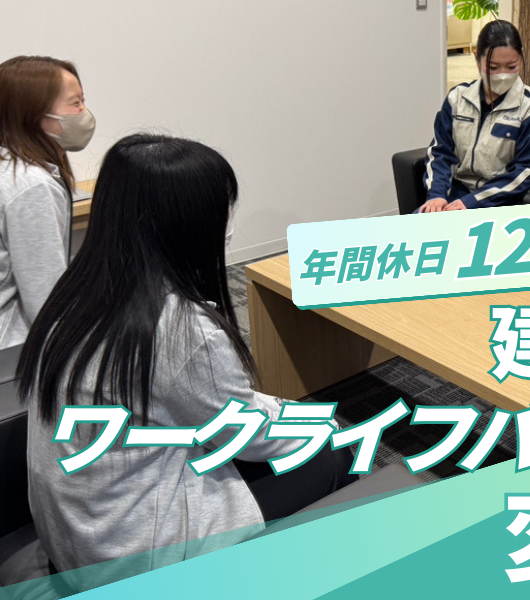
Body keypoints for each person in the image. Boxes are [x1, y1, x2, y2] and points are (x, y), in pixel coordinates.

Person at [17, 134, 355, 590]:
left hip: (78, 535)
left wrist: (274, 409)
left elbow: (204, 401)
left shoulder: (76, 289)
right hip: (133, 554)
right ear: (188, 223)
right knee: (334, 453)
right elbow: (249, 435)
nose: (227, 222)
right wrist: (316, 422)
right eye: (221, 209)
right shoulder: (177, 327)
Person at [0, 56, 96, 350]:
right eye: (75, 103)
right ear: (34, 113)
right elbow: (46, 301)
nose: (84, 112)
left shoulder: (9, 166)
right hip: (13, 350)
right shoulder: (31, 185)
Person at [418, 19, 530, 213]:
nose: (502, 75)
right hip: (461, 192)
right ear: (476, 58)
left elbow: (526, 171)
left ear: (521, 57)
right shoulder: (458, 98)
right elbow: (440, 153)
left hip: (510, 199)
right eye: (493, 67)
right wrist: (437, 195)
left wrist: (473, 202)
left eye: (511, 66)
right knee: (416, 225)